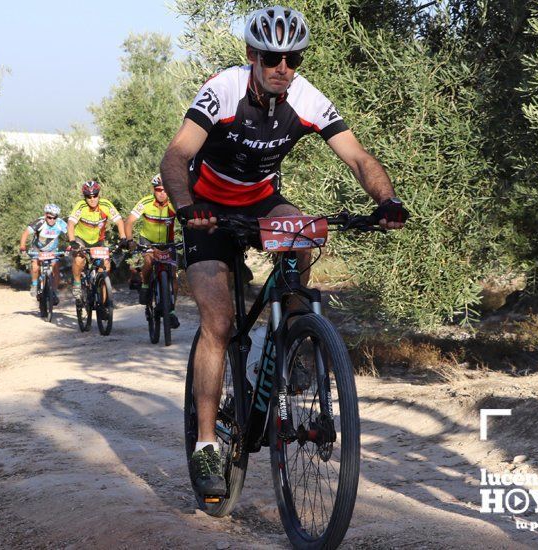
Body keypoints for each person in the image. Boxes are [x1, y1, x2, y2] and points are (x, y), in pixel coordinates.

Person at [159, 6, 410, 497]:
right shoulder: (224, 90)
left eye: (292, 58)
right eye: (272, 57)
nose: (282, 68)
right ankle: (207, 445)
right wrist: (188, 208)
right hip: (208, 207)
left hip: (261, 202)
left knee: (309, 232)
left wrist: (387, 200)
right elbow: (176, 156)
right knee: (218, 324)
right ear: (253, 55)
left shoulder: (306, 97)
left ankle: (295, 337)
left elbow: (358, 157)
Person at [124, 174, 180, 328]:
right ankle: (146, 285)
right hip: (147, 240)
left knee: (174, 274)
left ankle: (172, 311)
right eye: (158, 190)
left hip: (168, 242)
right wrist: (130, 241)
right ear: (153, 190)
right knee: (148, 261)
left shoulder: (174, 204)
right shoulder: (145, 203)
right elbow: (129, 221)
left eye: (165, 189)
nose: (162, 193)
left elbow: (186, 220)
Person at [67, 180, 127, 302]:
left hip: (98, 240)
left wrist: (123, 238)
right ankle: (77, 284)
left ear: (99, 194)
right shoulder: (81, 206)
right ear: (85, 197)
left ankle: (104, 303)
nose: (92, 199)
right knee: (79, 259)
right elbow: (71, 223)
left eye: (95, 195)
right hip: (81, 239)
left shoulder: (106, 205)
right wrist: (72, 241)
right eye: (89, 197)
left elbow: (119, 221)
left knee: (105, 266)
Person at [19, 204, 66, 303]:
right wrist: (23, 247)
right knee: (35, 266)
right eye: (49, 217)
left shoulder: (60, 223)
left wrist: (71, 245)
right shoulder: (39, 222)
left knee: (55, 269)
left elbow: (70, 234)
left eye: (54, 218)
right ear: (45, 215)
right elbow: (25, 234)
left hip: (53, 249)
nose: (52, 220)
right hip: (37, 248)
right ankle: (35, 285)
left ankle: (53, 292)